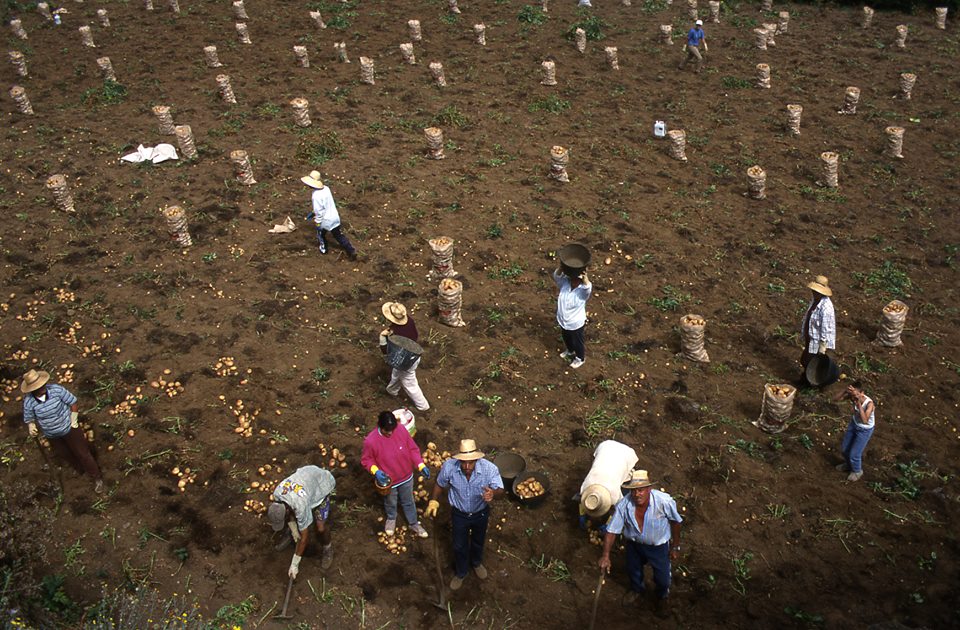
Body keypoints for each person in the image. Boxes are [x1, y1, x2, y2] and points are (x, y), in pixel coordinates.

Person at [425, 439, 504, 591]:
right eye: (463, 462)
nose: (467, 467)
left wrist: (493, 493)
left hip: (480, 513)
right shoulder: (449, 467)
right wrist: (433, 501)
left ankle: (476, 562)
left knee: (478, 540)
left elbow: (501, 490)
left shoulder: (489, 469)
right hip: (459, 514)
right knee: (459, 544)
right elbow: (439, 483)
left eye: (471, 463)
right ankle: (461, 572)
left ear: (476, 459)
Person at [599, 470, 683, 610]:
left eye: (641, 490)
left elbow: (676, 522)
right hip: (634, 545)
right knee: (634, 571)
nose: (637, 494)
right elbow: (612, 530)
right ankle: (637, 590)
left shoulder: (663, 502)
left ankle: (662, 597)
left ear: (649, 489)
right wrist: (605, 556)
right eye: (633, 491)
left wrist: (675, 546)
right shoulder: (624, 505)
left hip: (658, 547)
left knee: (663, 579)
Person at [21, 369, 103, 493]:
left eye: (42, 385)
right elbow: (29, 418)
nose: (41, 388)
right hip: (52, 434)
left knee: (83, 453)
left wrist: (74, 419)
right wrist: (31, 426)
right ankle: (80, 469)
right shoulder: (29, 402)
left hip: (69, 428)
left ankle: (96, 477)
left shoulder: (56, 390)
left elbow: (73, 402)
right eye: (37, 387)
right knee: (65, 454)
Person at [361, 410, 431, 538]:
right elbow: (366, 460)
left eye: (392, 429)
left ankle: (413, 523)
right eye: (386, 430)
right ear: (380, 426)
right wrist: (376, 471)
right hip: (389, 480)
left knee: (408, 501)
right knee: (390, 501)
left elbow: (412, 449)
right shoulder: (371, 441)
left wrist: (420, 464)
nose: (390, 433)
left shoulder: (401, 430)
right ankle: (391, 519)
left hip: (406, 476)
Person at [267, 464, 336, 579]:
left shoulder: (300, 506)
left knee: (320, 528)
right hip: (306, 480)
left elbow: (304, 538)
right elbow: (290, 510)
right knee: (296, 523)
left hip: (321, 485)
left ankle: (328, 548)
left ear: (287, 511)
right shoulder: (277, 494)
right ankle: (290, 534)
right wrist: (294, 529)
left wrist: (295, 564)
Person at [576, 440, 639, 529]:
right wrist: (581, 514)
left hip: (625, 454)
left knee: (626, 485)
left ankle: (629, 472)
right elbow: (581, 498)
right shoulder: (586, 485)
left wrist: (609, 524)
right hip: (605, 447)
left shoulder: (614, 495)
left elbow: (619, 509)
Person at [379, 301, 430, 411]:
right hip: (414, 354)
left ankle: (423, 406)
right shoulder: (410, 321)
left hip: (406, 360)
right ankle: (392, 390)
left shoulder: (394, 334)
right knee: (397, 372)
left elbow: (387, 352)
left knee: (409, 383)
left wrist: (382, 338)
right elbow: (415, 335)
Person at [301, 170, 357, 259]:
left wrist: (318, 222)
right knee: (338, 235)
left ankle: (323, 249)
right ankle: (351, 250)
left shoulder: (316, 195)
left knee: (320, 234)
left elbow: (319, 211)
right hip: (334, 217)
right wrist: (313, 212)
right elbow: (325, 204)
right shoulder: (326, 188)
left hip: (325, 220)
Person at [833, 382, 876, 482]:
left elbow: (865, 420)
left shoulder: (869, 404)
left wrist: (859, 404)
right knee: (844, 449)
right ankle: (849, 465)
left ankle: (857, 471)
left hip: (865, 430)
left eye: (856, 394)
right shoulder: (852, 396)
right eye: (852, 395)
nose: (853, 398)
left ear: (862, 393)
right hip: (854, 424)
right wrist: (845, 390)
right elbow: (834, 400)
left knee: (854, 454)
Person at [552, 266, 592, 369]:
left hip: (575, 323)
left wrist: (585, 278)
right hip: (563, 320)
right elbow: (556, 276)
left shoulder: (582, 292)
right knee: (566, 337)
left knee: (578, 341)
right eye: (572, 278)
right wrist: (562, 267)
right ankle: (570, 350)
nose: (573, 281)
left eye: (577, 279)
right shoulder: (565, 283)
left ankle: (580, 358)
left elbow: (588, 287)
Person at [800, 275, 836, 376]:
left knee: (811, 363)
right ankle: (806, 378)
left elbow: (825, 328)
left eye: (816, 291)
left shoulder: (826, 308)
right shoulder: (815, 300)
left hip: (818, 341)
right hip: (811, 338)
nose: (813, 292)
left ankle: (809, 382)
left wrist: (822, 347)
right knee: (805, 360)